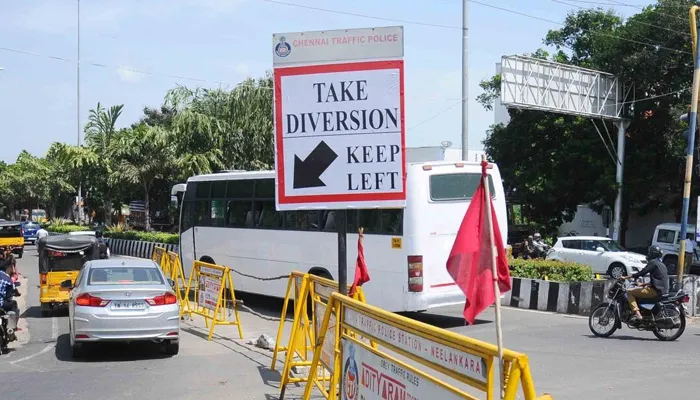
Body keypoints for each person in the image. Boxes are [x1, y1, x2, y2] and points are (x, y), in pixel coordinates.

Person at [621, 245, 669, 322]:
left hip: (655, 291)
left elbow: (642, 272)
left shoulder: (653, 262)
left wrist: (625, 277)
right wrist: (642, 285)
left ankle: (637, 313)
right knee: (639, 290)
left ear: (652, 254)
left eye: (650, 252)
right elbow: (658, 280)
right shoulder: (662, 264)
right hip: (662, 291)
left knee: (629, 292)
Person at [0, 254, 19, 334]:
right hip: (1, 304)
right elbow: (8, 297)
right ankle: (12, 327)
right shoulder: (8, 280)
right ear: (9, 267)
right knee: (13, 304)